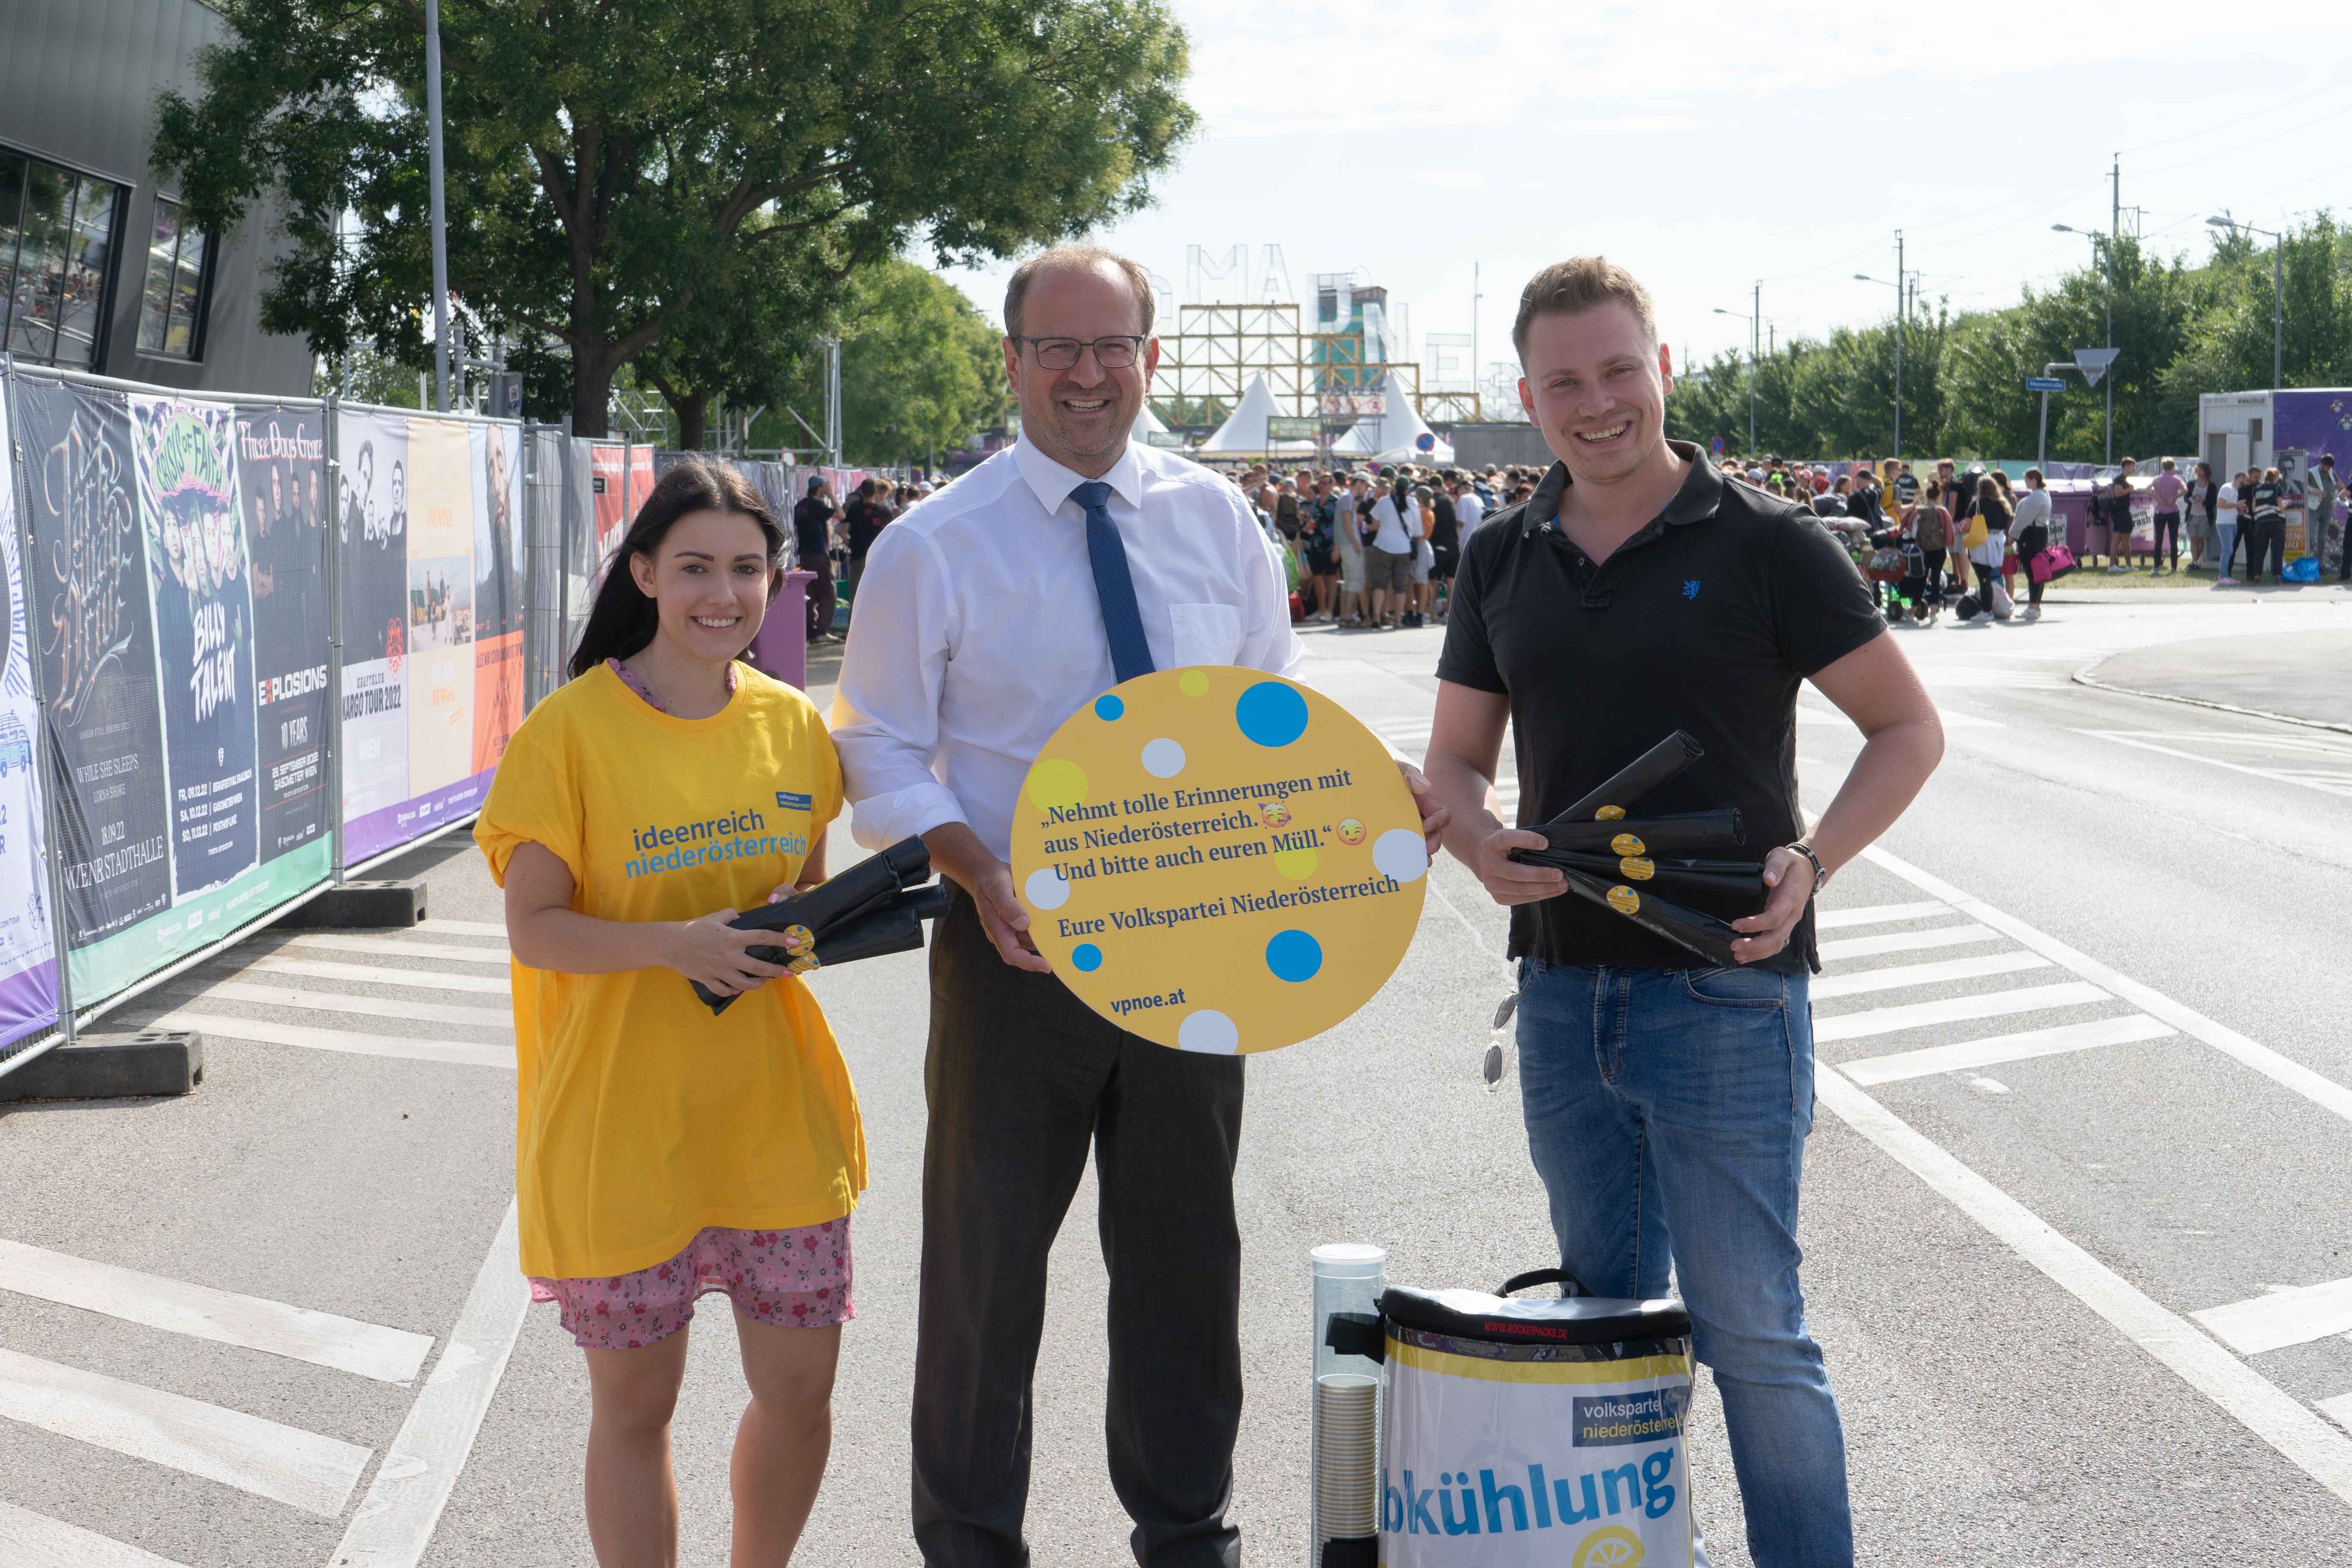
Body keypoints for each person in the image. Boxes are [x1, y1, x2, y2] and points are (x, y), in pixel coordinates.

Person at [828, 245, 1442, 1568]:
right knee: (984, 1277)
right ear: (1011, 361)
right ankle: (969, 1542)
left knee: (1181, 1268)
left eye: (1110, 347)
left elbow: (1267, 712)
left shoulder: (1217, 520)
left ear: (1150, 360)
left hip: (1196, 952)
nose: (1085, 373)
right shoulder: (933, 542)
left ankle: (1183, 1534)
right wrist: (972, 867)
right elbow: (872, 743)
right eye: (1055, 347)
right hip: (1011, 957)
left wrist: (1362, 790)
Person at [1422, 256, 1941, 1568]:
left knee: (1750, 1332)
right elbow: (1455, 766)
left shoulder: (1770, 543)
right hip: (1556, 989)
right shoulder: (1497, 553)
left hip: (1725, 990)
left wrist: (1812, 859)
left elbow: (1903, 728)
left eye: (1614, 371)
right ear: (1528, 399)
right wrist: (1478, 841)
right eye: (1560, 383)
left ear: (1662, 369)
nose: (1593, 403)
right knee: (1607, 1327)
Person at [477, 458, 859, 1566]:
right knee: (635, 1412)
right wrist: (673, 947)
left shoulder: (795, 727)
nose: (721, 593)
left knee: (801, 1394)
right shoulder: (569, 732)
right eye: (693, 565)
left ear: (776, 581)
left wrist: (805, 926)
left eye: (746, 567)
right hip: (621, 1128)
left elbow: (800, 901)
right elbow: (535, 927)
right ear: (643, 570)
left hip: (775, 1123)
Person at [1364, 473, 1416, 628]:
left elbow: (1374, 524)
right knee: (1400, 586)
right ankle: (1398, 620)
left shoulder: (1384, 502)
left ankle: (1376, 618)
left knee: (1379, 584)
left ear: (1394, 487)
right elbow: (1417, 529)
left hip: (1383, 545)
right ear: (1407, 489)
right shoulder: (1413, 503)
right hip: (1404, 548)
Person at [795, 474, 842, 642]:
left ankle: (809, 631)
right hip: (819, 554)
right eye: (826, 485)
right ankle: (822, 631)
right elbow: (841, 515)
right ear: (820, 487)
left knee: (809, 593)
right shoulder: (817, 505)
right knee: (828, 592)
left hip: (804, 554)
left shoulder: (800, 506)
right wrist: (831, 495)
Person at [1963, 473, 2013, 620]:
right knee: (1989, 576)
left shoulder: (1977, 504)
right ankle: (1989, 608)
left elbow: (1967, 525)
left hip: (1981, 543)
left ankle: (1986, 611)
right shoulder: (2003, 504)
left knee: (1983, 578)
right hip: (1997, 543)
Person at [1906, 479, 1952, 620]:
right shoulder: (1942, 512)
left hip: (1923, 551)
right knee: (1936, 579)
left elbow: (1911, 533)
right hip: (1939, 550)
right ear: (1938, 496)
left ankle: (1912, 611)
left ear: (1926, 495)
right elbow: (1948, 531)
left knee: (1921, 579)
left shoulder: (1917, 512)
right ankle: (1933, 613)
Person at [2012, 467, 2053, 621]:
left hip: (2031, 535)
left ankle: (2033, 606)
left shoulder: (2037, 497)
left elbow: (2024, 519)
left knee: (2032, 572)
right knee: (2038, 571)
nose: (2025, 483)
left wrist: (2012, 535)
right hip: (2039, 534)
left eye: (2027, 480)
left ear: (2034, 480)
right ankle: (2034, 606)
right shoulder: (2044, 494)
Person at [1335, 471, 1370, 626]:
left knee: (1349, 582)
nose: (1366, 489)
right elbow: (1347, 523)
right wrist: (1356, 542)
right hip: (1350, 544)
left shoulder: (1346, 498)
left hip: (1346, 544)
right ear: (1359, 483)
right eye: (1366, 485)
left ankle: (1345, 615)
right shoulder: (1347, 498)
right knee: (1355, 580)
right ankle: (1347, 617)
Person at [2243, 466, 2287, 583]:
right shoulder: (2277, 488)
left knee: (2260, 550)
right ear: (2276, 478)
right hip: (2276, 522)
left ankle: (2257, 575)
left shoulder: (2256, 489)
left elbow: (2253, 508)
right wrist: (2288, 505)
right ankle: (2277, 576)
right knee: (2277, 550)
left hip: (2261, 522)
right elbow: (2281, 507)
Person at [2150, 457, 2185, 574]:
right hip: (2173, 511)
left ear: (2163, 467)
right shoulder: (2176, 480)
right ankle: (2174, 567)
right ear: (2173, 467)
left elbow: (2146, 490)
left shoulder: (2157, 479)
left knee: (2158, 540)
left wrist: (2157, 498)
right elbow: (2185, 490)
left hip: (2159, 511)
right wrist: (2175, 497)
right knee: (2173, 540)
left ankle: (2156, 567)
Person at [2187, 460, 2218, 571]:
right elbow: (2186, 497)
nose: (2199, 472)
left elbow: (2213, 502)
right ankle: (2195, 562)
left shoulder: (2212, 486)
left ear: (2206, 472)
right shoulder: (2191, 484)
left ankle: (2195, 561)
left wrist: (2203, 502)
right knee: (2193, 539)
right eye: (2197, 470)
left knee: (2201, 540)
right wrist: (2191, 499)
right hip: (2192, 515)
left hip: (2205, 516)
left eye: (2201, 470)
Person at [2216, 470, 2244, 586]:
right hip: (2224, 524)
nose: (2246, 482)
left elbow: (2230, 506)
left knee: (2226, 551)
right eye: (2245, 479)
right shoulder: (2226, 488)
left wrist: (2239, 510)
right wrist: (2236, 505)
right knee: (2228, 550)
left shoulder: (2235, 491)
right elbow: (2220, 504)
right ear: (2240, 478)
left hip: (2232, 524)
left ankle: (2226, 576)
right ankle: (2222, 577)